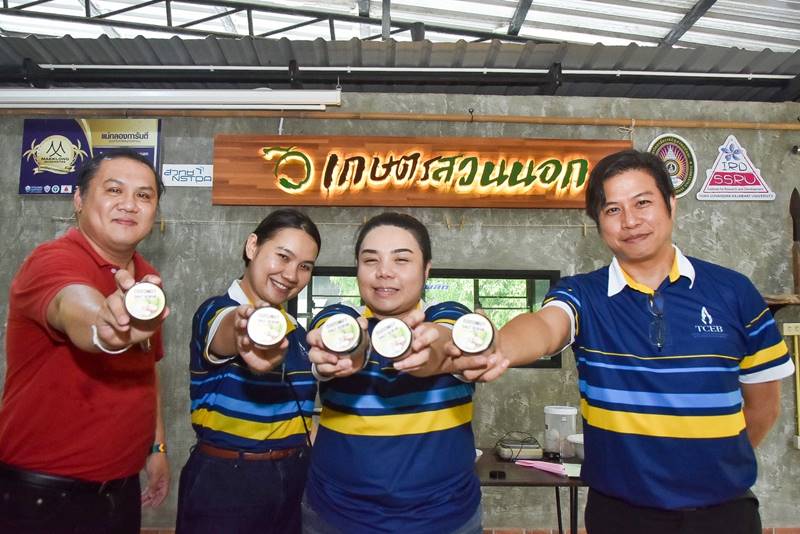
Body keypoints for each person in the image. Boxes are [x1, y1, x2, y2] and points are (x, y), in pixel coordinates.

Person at [458, 149, 795, 534]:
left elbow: (764, 407)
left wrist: (712, 468)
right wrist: (500, 346)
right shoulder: (584, 295)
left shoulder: (734, 292)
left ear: (671, 204)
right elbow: (545, 326)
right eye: (613, 209)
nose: (630, 221)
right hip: (620, 516)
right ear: (598, 222)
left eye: (642, 203)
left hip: (724, 515)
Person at [0, 149, 170, 534]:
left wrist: (156, 447)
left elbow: (148, 370)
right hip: (44, 493)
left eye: (144, 196)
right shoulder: (51, 261)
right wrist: (105, 329)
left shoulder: (146, 278)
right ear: (79, 199)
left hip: (120, 487)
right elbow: (76, 308)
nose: (130, 204)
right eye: (114, 190)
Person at [303, 212, 483, 534]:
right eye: (370, 260)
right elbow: (337, 333)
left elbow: (447, 337)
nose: (384, 271)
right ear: (357, 269)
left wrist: (431, 350)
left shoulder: (449, 315)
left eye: (401, 260)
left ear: (426, 270)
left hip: (446, 520)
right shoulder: (339, 319)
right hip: (336, 518)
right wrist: (350, 349)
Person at [176, 209, 321, 534]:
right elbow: (228, 331)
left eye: (305, 266)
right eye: (283, 256)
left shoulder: (298, 333)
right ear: (252, 246)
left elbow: (300, 416)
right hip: (227, 481)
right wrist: (246, 332)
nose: (291, 274)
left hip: (294, 476)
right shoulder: (216, 311)